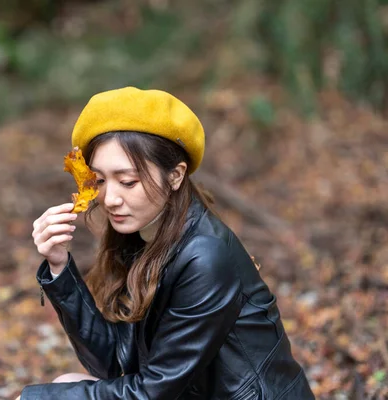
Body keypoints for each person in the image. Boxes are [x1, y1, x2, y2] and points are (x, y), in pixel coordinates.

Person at [18, 87, 315, 399]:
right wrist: (59, 266)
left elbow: (152, 392)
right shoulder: (141, 236)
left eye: (128, 181)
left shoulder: (205, 256)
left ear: (175, 176)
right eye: (100, 180)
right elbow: (112, 364)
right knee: (67, 384)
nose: (110, 198)